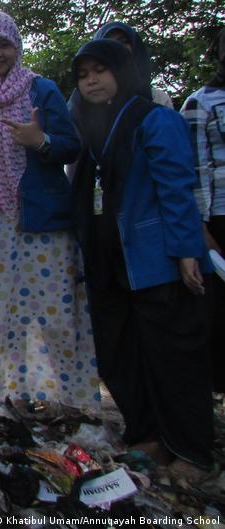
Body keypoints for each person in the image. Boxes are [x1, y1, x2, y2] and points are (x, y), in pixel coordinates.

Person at [70, 38, 213, 481]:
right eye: (83, 75)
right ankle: (147, 434)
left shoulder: (155, 118)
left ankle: (192, 451)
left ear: (123, 72)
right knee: (119, 353)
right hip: (107, 261)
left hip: (153, 260)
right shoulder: (89, 127)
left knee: (172, 356)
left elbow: (176, 187)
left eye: (101, 70)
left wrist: (189, 250)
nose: (91, 81)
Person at [0, 12, 99, 408]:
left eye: (5, 44)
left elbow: (71, 145)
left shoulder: (40, 90)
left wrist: (41, 142)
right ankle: (7, 397)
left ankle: (67, 399)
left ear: (17, 47)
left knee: (53, 313)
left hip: (43, 220)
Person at [182, 28, 225, 392]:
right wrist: (201, 226)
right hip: (218, 221)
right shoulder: (202, 102)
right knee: (216, 314)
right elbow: (195, 169)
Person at [92, 22, 174, 108]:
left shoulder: (159, 100)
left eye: (123, 42)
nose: (116, 47)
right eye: (108, 43)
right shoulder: (86, 102)